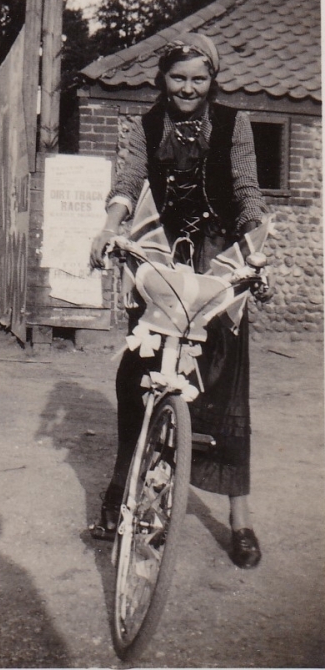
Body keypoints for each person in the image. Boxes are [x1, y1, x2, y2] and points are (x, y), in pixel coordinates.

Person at [89, 32, 270, 569]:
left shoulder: (235, 125)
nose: (189, 87)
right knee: (135, 374)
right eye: (178, 77)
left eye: (199, 78)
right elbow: (127, 181)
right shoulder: (143, 127)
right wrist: (109, 227)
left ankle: (240, 520)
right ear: (162, 80)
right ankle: (122, 495)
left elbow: (247, 191)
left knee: (224, 378)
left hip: (216, 256)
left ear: (212, 81)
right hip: (160, 251)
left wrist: (256, 248)